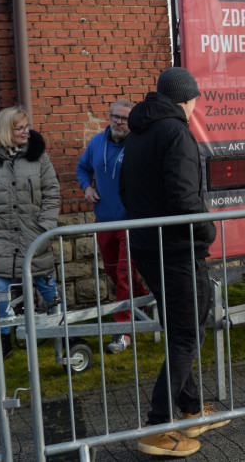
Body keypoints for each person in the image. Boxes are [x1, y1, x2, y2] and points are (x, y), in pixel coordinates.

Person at [120, 67, 229, 458]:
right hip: (179, 251)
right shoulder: (176, 131)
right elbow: (185, 197)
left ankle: (191, 409)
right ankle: (157, 426)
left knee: (180, 330)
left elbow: (124, 189)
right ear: (188, 98)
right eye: (196, 97)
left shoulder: (138, 133)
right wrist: (206, 234)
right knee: (187, 333)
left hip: (148, 247)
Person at [0, 106, 61, 367]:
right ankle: (3, 343)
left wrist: (45, 226)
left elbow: (52, 192)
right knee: (0, 295)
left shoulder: (38, 158)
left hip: (35, 237)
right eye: (20, 128)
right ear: (6, 131)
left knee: (48, 288)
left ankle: (61, 336)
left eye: (27, 126)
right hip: (0, 241)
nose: (26, 131)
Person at [77, 98, 149, 354]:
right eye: (114, 117)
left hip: (129, 222)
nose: (118, 122)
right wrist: (86, 187)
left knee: (123, 275)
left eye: (124, 118)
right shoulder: (96, 142)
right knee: (112, 272)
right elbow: (83, 168)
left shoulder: (139, 144)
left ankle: (123, 330)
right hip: (103, 221)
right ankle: (145, 304)